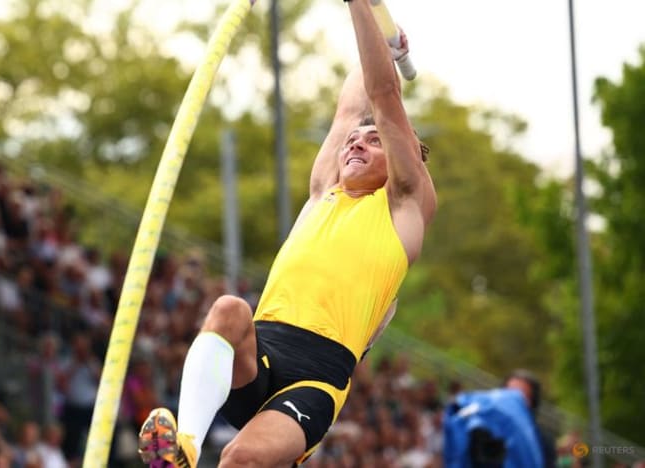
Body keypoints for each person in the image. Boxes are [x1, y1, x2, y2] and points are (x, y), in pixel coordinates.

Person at [138, 0, 436, 466]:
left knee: (241, 459)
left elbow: (383, 97)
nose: (358, 140)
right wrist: (383, 40)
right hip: (261, 351)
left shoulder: (405, 206)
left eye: (376, 138)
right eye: (356, 139)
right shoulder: (323, 193)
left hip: (317, 375)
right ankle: (185, 449)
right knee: (230, 309)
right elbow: (354, 105)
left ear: (407, 157)